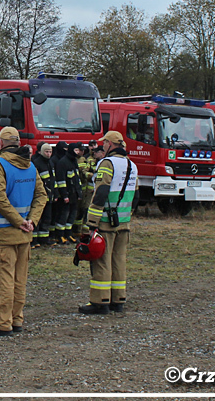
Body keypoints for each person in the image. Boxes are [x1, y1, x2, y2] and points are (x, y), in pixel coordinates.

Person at [0, 127, 47, 337]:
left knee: (4, 279)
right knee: (20, 279)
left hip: (4, 231)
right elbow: (41, 196)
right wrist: (31, 221)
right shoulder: (30, 166)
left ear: (0, 143)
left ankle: (3, 323)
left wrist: (19, 221)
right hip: (25, 232)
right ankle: (17, 319)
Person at [80, 131, 137, 315]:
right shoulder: (132, 165)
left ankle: (100, 301)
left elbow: (101, 193)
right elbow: (136, 196)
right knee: (119, 260)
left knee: (102, 261)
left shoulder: (107, 163)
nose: (101, 146)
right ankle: (118, 299)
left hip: (105, 221)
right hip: (124, 222)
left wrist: (92, 222)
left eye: (104, 143)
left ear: (110, 144)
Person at [31, 143, 56, 248]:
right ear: (41, 151)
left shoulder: (51, 163)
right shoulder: (37, 163)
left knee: (47, 218)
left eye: (50, 152)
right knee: (38, 218)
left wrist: (55, 193)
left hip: (49, 196)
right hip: (40, 197)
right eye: (47, 151)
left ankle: (44, 239)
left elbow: (53, 180)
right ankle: (33, 240)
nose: (49, 154)